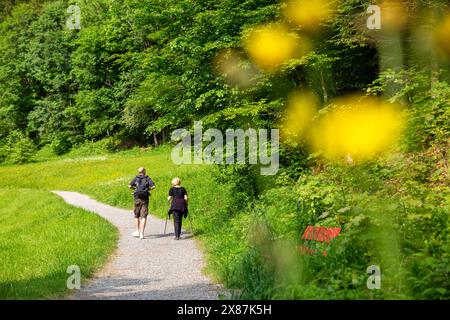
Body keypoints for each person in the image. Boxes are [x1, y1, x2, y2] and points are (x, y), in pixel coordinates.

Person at [128, 167, 156, 239]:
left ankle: (137, 231)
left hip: (137, 198)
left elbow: (129, 186)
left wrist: (135, 189)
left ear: (138, 172)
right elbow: (153, 186)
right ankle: (141, 234)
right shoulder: (147, 178)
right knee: (144, 216)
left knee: (137, 215)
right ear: (144, 171)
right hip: (145, 199)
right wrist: (148, 189)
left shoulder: (136, 178)